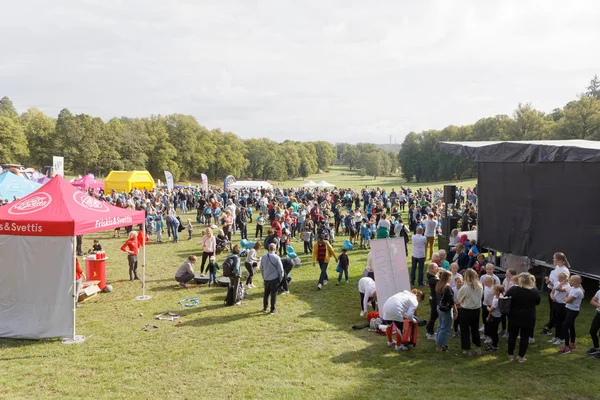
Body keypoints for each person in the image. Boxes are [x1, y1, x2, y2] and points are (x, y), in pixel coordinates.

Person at [506, 272, 541, 363]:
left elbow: (506, 297)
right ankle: (521, 357)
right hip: (528, 317)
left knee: (512, 336)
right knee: (525, 337)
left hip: (514, 316)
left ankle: (510, 354)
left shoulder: (514, 289)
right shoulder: (534, 291)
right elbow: (537, 302)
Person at [541, 252, 571, 336]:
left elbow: (562, 285)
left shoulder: (564, 271)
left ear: (560, 260)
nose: (553, 260)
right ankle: (551, 324)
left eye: (554, 258)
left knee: (556, 312)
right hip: (552, 291)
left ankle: (552, 328)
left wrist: (549, 282)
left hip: (557, 294)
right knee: (552, 310)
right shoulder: (558, 267)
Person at [457, 269, 483, 356]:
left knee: (465, 329)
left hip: (466, 310)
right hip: (476, 309)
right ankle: (478, 347)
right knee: (475, 329)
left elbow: (459, 299)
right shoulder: (480, 285)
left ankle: (466, 349)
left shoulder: (465, 287)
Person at [560, 275, 584, 354]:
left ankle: (567, 347)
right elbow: (566, 297)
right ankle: (572, 344)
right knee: (571, 326)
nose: (569, 282)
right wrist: (566, 298)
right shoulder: (573, 289)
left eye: (571, 280)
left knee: (565, 326)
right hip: (568, 309)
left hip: (573, 311)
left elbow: (568, 300)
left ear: (575, 282)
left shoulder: (578, 291)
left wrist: (566, 298)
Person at [260, 243, 284, 314]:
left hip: (266, 277)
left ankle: (265, 307)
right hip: (274, 278)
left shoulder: (263, 257)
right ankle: (272, 309)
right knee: (273, 294)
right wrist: (280, 278)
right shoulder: (277, 257)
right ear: (275, 249)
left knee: (266, 293)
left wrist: (264, 276)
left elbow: (261, 268)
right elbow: (281, 269)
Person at [435, 270, 455, 352]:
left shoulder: (439, 285)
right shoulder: (447, 288)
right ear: (448, 278)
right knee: (445, 328)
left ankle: (438, 343)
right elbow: (452, 301)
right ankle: (440, 346)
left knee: (440, 325)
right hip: (445, 309)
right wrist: (456, 311)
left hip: (439, 307)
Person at [548, 271, 570, 346]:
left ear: (564, 279)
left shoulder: (567, 286)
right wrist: (552, 297)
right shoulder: (557, 283)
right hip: (555, 303)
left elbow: (559, 289)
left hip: (562, 305)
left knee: (560, 322)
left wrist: (562, 283)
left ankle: (561, 338)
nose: (558, 279)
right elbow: (552, 292)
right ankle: (556, 336)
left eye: (560, 278)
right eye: (558, 278)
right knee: (555, 320)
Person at [486, 285, 505, 352]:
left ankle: (495, 346)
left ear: (497, 292)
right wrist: (488, 316)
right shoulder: (496, 297)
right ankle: (493, 343)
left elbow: (491, 310)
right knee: (491, 330)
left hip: (495, 318)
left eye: (493, 289)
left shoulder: (497, 300)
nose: (492, 290)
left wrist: (487, 308)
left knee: (494, 332)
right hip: (493, 316)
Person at [426, 263, 440, 340]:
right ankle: (430, 333)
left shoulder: (433, 276)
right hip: (434, 299)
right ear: (431, 269)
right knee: (434, 316)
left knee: (433, 316)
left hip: (433, 298)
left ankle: (428, 329)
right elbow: (441, 283)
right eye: (436, 267)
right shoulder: (433, 279)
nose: (438, 268)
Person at [588, 288, 600, 358]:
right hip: (599, 314)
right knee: (592, 331)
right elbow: (592, 301)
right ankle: (596, 348)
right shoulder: (599, 291)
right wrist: (599, 305)